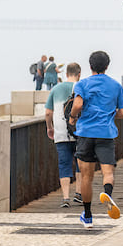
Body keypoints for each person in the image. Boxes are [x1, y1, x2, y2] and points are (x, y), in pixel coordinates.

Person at [70, 51, 123, 228]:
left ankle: (87, 216)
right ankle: (107, 193)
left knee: (86, 177)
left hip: (86, 133)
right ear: (107, 66)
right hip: (106, 134)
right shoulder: (115, 86)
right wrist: (109, 115)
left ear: (90, 66)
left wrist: (73, 117)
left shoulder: (83, 84)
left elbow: (78, 104)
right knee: (108, 172)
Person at [44, 62, 81, 208]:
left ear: (66, 74)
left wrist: (50, 128)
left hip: (60, 133)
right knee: (80, 163)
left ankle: (65, 197)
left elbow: (48, 113)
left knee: (64, 164)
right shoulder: (81, 87)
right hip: (79, 132)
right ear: (79, 74)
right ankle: (79, 194)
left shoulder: (56, 89)